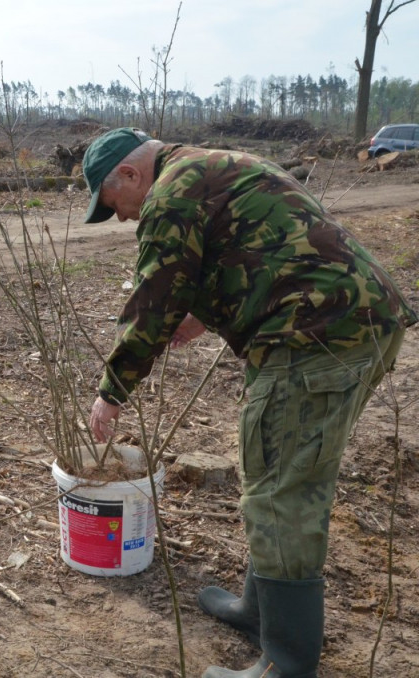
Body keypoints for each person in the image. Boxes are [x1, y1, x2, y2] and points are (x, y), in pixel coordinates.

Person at [82, 128, 415, 677]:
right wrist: (207, 311)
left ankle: (285, 662)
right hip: (355, 323)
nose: (122, 219)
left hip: (313, 341)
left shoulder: (168, 195)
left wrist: (111, 391)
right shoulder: (213, 164)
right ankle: (258, 612)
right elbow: (262, 247)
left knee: (284, 493)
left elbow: (155, 297)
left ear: (130, 175)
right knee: (275, 473)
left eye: (116, 206)